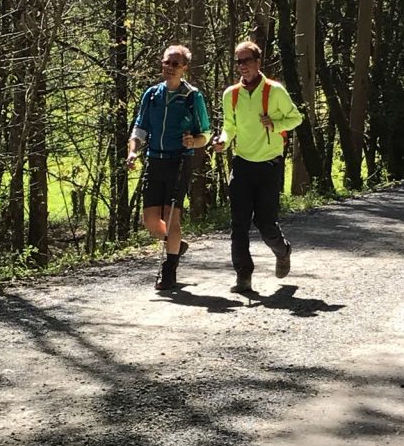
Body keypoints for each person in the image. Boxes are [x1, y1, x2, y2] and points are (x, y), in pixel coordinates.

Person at [213, 40, 303, 294]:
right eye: (238, 61)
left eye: (247, 60)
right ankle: (243, 275)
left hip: (269, 166)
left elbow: (296, 117)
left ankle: (282, 250)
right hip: (242, 164)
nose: (242, 66)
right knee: (238, 223)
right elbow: (229, 125)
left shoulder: (274, 91)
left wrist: (274, 124)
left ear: (258, 62)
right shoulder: (230, 94)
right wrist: (223, 140)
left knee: (265, 224)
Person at [127, 45, 211, 290]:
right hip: (155, 159)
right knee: (151, 221)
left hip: (179, 160)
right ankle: (176, 243)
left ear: (184, 67)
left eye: (176, 64)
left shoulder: (192, 96)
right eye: (167, 62)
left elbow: (205, 133)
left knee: (171, 215)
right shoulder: (151, 94)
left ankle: (169, 272)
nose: (170, 67)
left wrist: (193, 141)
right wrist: (133, 150)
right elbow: (139, 128)